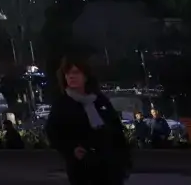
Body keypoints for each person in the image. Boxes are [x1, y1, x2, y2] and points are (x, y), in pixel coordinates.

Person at [45, 56, 131, 185]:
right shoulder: (63, 104)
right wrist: (71, 149)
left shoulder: (99, 100)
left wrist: (123, 160)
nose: (71, 76)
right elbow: (52, 132)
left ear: (85, 76)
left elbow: (116, 128)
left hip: (109, 165)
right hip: (83, 168)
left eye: (76, 72)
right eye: (68, 73)